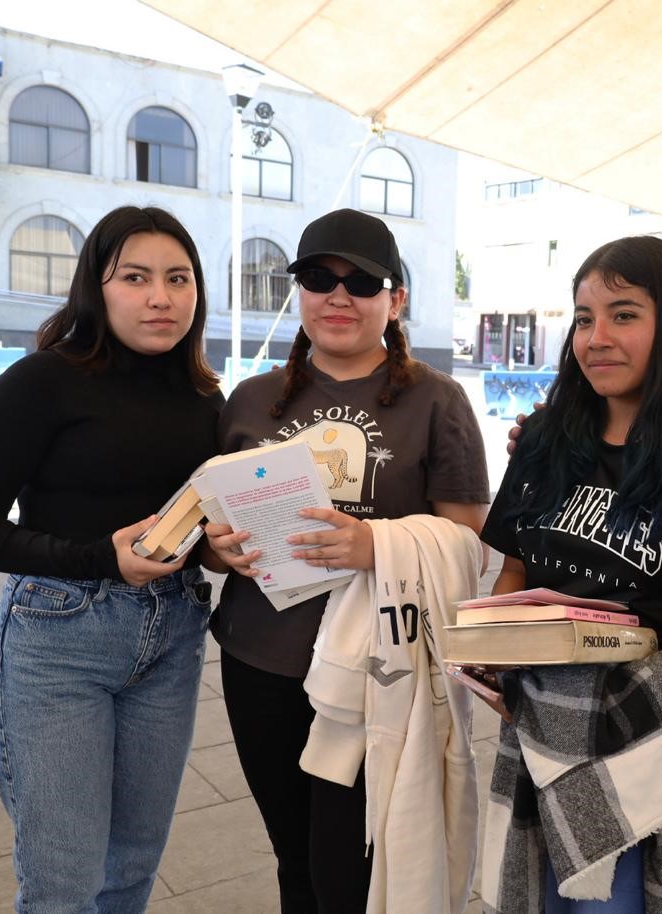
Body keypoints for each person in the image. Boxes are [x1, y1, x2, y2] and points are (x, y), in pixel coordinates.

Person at [201, 207, 490, 914]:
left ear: (396, 300)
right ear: (297, 292)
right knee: (293, 859)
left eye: (362, 282)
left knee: (349, 870)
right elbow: (207, 527)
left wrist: (375, 545)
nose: (338, 296)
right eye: (318, 279)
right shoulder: (251, 399)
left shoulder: (436, 401)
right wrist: (218, 548)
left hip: (375, 672)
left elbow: (467, 542)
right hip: (260, 662)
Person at [0, 206, 223, 913]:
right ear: (97, 287)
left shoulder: (204, 396)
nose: (160, 297)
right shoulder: (40, 382)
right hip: (60, 637)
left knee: (131, 867)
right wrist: (100, 559)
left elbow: (203, 518)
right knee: (62, 881)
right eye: (136, 277)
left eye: (178, 278)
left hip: (174, 635)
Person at [483, 235, 662, 912]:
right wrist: (492, 655)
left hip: (644, 751)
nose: (597, 338)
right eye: (584, 319)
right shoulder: (544, 440)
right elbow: (513, 573)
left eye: (624, 315)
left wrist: (592, 708)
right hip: (533, 737)